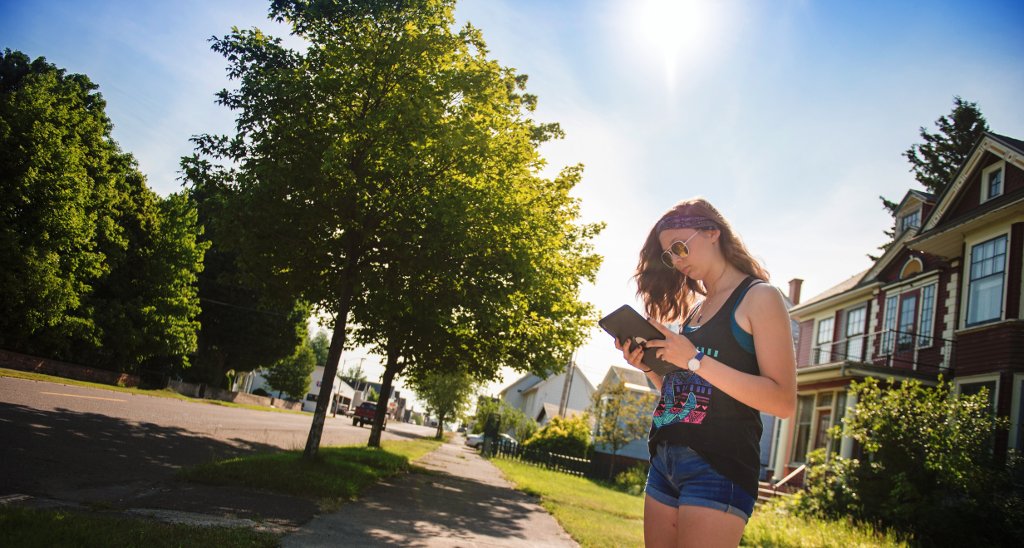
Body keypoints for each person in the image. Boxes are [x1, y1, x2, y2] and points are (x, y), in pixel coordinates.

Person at [614, 198, 796, 548]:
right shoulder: (693, 312)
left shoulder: (760, 297)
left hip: (718, 467)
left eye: (680, 247)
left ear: (713, 233)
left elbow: (783, 401)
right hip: (665, 462)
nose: (677, 260)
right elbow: (685, 394)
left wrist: (695, 359)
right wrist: (650, 367)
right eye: (669, 255)